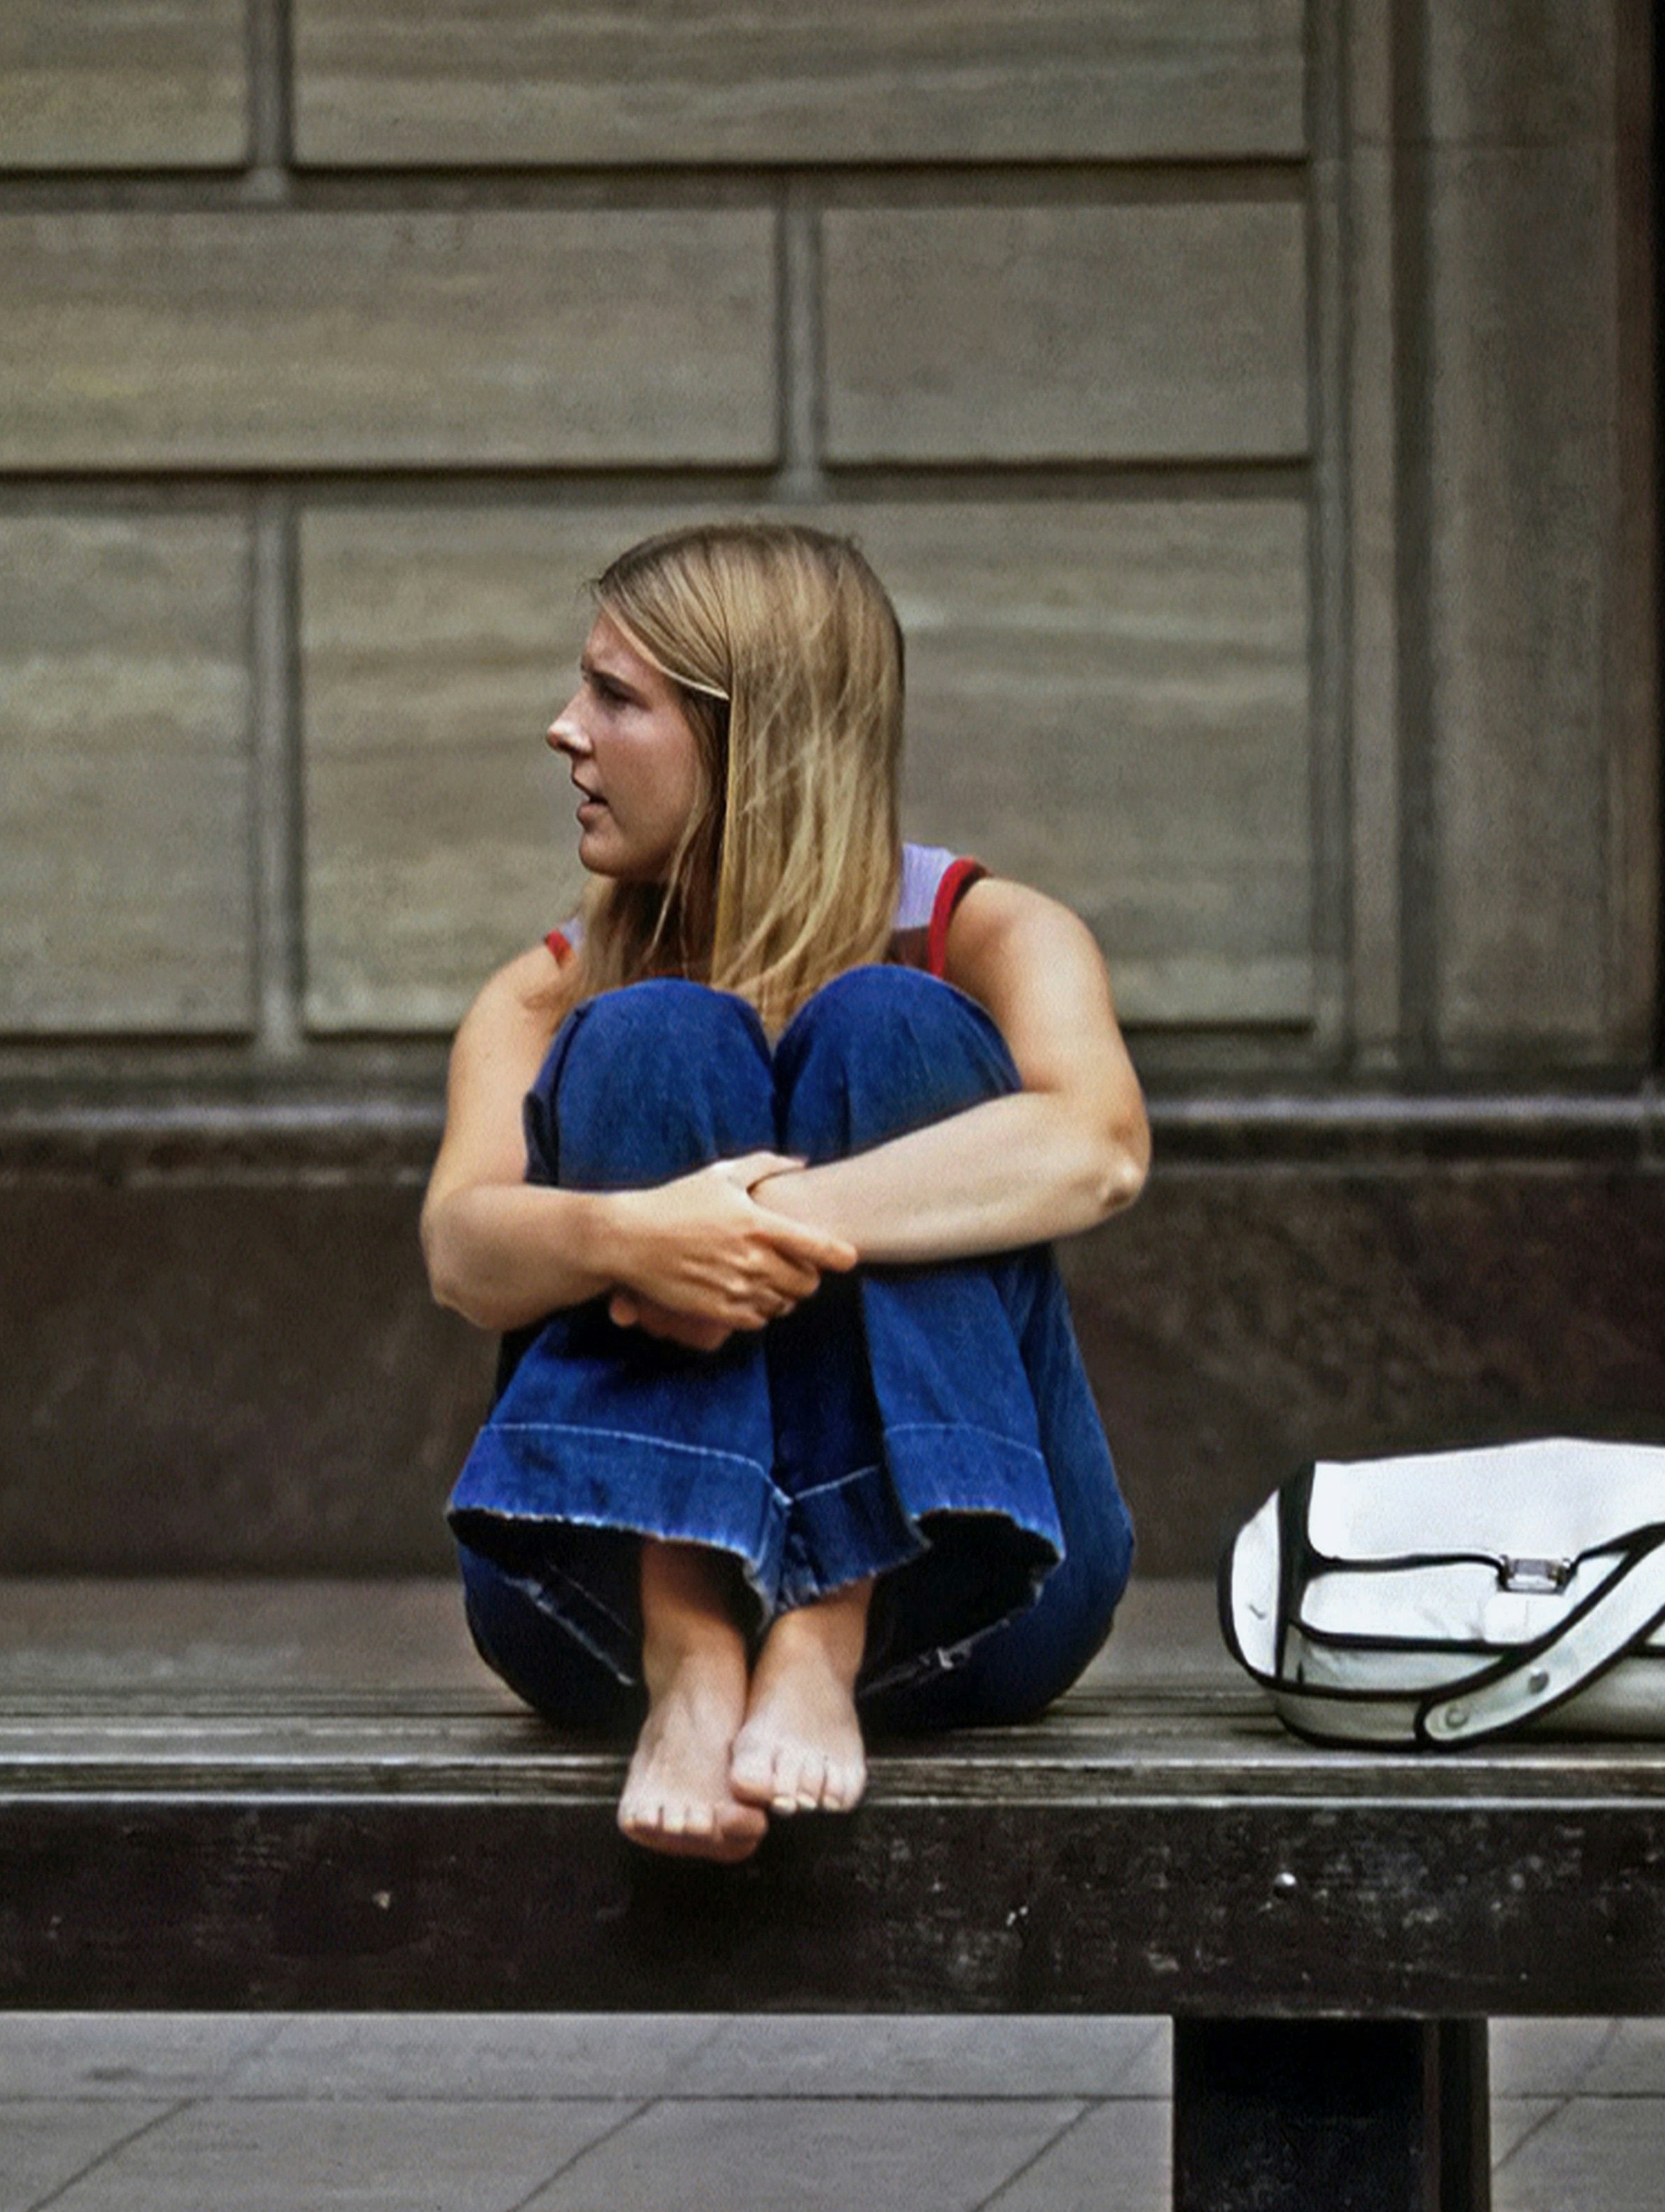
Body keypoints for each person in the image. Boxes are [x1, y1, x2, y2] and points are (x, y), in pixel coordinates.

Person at [422, 519, 1150, 1867]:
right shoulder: (548, 987)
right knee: (653, 1036)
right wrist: (633, 1233)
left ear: (751, 735)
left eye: (615, 697)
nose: (561, 730)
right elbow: (464, 1252)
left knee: (888, 1023)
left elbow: (1096, 1148)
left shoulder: (989, 935)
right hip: (597, 1610)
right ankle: (696, 1646)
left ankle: (825, 1630)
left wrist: (751, 1232)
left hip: (975, 1590)